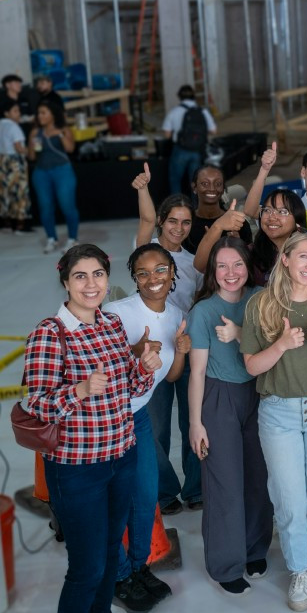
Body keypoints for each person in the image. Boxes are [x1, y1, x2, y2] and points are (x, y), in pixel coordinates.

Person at [22, 244, 160, 613]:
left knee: (107, 549)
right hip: (76, 469)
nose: (91, 284)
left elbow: (127, 390)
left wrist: (143, 368)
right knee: (86, 567)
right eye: (80, 276)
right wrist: (78, 390)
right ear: (65, 281)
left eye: (98, 274)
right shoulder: (51, 333)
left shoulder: (112, 325)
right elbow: (36, 403)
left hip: (119, 455)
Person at [240, 231, 307, 612]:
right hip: (279, 413)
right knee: (288, 501)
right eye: (303, 257)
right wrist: (282, 345)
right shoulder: (261, 304)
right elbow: (252, 366)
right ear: (285, 260)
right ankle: (299, 570)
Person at [103, 244, 191, 613]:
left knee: (146, 495)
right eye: (143, 273)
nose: (153, 279)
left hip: (137, 414)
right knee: (116, 503)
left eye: (160, 270)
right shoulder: (115, 314)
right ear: (133, 277)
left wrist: (181, 351)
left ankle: (138, 569)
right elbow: (99, 371)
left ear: (173, 272)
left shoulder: (176, 315)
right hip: (106, 421)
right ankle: (119, 578)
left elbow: (169, 376)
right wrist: (133, 352)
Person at [186, 237, 273, 594]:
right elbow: (197, 372)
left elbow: (274, 344)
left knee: (257, 477)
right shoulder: (203, 311)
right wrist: (195, 422)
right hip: (219, 397)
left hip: (261, 392)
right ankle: (226, 564)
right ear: (213, 271)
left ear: (247, 265)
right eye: (222, 266)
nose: (230, 273)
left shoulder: (259, 299)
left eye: (236, 264)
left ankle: (254, 549)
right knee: (225, 483)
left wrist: (240, 335)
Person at [131, 173, 203, 512]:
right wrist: (144, 188)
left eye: (186, 222)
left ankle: (196, 488)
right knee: (155, 425)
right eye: (172, 220)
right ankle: (163, 490)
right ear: (162, 221)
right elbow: (145, 218)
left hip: (186, 350)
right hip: (152, 352)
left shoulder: (192, 263)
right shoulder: (147, 252)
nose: (179, 227)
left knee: (193, 419)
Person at [183, 143, 276, 255]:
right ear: (194, 187)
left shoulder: (238, 224)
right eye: (205, 183)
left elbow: (249, 262)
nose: (212, 188)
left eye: (218, 184)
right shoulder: (185, 224)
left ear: (223, 188)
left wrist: (238, 246)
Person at [28, 96, 80, 254]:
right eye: (38, 113)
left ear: (52, 114)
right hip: (41, 172)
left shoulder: (64, 129)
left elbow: (70, 149)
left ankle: (72, 239)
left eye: (43, 113)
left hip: (62, 171)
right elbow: (31, 157)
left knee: (67, 205)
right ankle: (51, 238)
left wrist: (61, 134)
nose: (40, 116)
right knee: (45, 207)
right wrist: (32, 143)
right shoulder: (36, 132)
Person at [161, 84, 217, 196]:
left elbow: (167, 135)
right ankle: (196, 209)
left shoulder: (174, 112)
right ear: (194, 96)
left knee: (175, 180)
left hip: (180, 150)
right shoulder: (203, 111)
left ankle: (176, 207)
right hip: (197, 150)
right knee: (195, 182)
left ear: (179, 97)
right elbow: (213, 131)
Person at [0, 99, 32, 234]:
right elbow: (18, 147)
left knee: (3, 192)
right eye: (15, 111)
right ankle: (20, 224)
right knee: (19, 191)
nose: (18, 114)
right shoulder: (14, 127)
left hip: (0, 162)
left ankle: (7, 222)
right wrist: (29, 151)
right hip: (14, 162)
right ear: (6, 113)